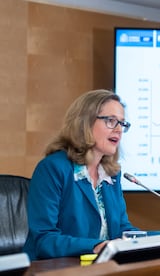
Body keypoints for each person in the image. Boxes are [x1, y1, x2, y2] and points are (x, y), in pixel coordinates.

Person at [23, 89, 139, 260]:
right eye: (111, 121)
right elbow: (44, 239)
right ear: (85, 122)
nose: (119, 130)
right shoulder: (53, 169)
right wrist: (95, 246)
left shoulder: (111, 175)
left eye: (122, 123)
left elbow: (122, 229)